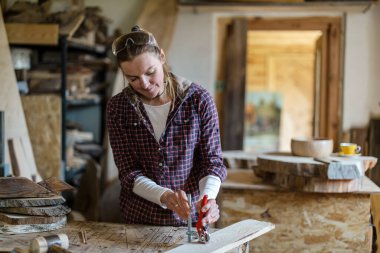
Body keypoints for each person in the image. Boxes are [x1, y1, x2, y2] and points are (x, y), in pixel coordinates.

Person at [106, 25, 227, 227]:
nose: (144, 84)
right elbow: (129, 172)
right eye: (132, 78)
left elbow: (212, 161)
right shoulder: (118, 108)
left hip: (191, 217)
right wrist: (165, 196)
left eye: (150, 72)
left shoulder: (198, 100)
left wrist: (207, 199)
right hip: (140, 218)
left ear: (162, 57)